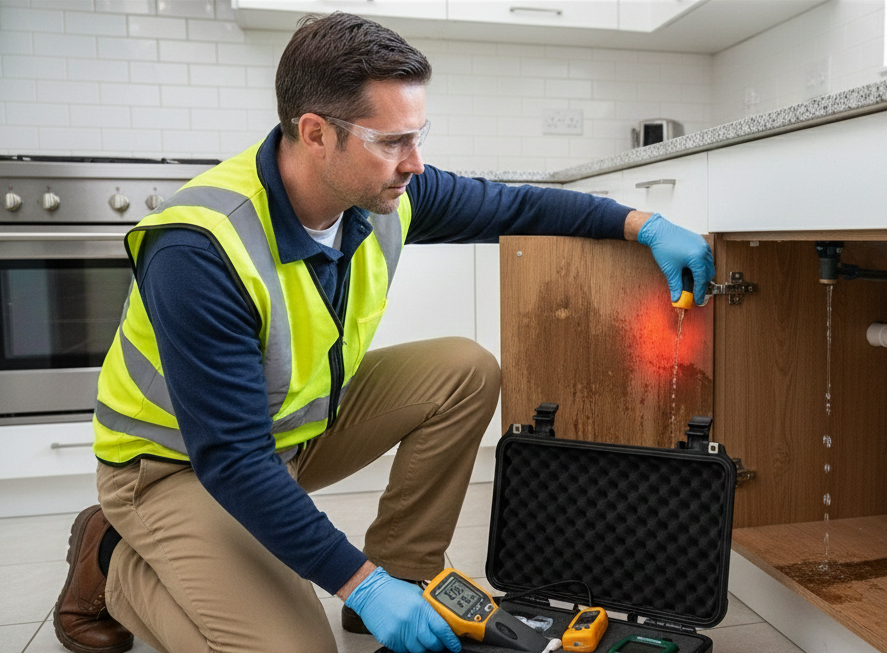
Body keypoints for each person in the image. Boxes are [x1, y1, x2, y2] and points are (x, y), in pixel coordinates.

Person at [52, 11, 713, 653]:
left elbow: (519, 203)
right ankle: (110, 559)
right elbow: (231, 458)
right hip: (175, 466)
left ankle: (408, 571)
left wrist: (642, 223)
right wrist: (358, 582)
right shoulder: (199, 249)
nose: (416, 162)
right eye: (393, 141)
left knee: (464, 368)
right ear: (315, 134)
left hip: (292, 431)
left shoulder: (384, 194)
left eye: (419, 135)